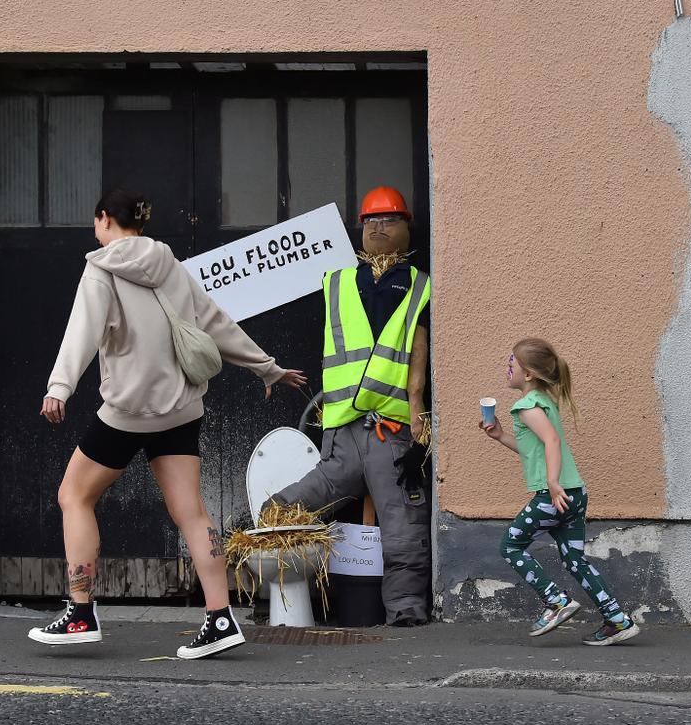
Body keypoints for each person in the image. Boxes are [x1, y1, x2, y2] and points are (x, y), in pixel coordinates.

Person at [27, 187, 306, 659]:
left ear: (103, 219)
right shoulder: (171, 265)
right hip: (181, 410)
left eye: (96, 222)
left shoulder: (100, 270)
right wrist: (266, 367)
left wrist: (60, 388)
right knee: (191, 511)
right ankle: (220, 618)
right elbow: (216, 323)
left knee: (73, 495)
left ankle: (80, 614)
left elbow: (82, 332)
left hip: (127, 414)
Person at [265, 186, 432, 626]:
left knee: (404, 532)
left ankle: (406, 612)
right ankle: (262, 569)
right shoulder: (337, 280)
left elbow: (418, 349)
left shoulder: (417, 286)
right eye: (371, 220)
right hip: (339, 433)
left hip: (390, 431)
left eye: (390, 219)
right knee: (285, 508)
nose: (379, 226)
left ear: (406, 227)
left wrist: (416, 415)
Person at [479, 338, 641, 645]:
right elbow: (534, 450)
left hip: (554, 496)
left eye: (511, 363)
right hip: (574, 493)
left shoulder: (527, 406)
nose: (507, 368)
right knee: (575, 560)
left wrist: (552, 484)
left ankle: (556, 601)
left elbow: (552, 441)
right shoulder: (543, 401)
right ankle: (617, 620)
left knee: (510, 546)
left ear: (527, 375)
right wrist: (500, 436)